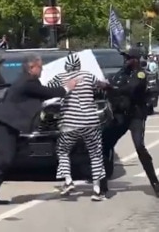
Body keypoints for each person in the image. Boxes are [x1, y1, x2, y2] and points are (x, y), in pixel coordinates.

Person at [0, 54, 79, 205]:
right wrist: (67, 87)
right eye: (40, 67)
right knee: (6, 158)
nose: (42, 70)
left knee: (8, 162)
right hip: (3, 124)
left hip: (12, 126)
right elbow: (49, 92)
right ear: (31, 68)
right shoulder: (27, 82)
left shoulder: (30, 81)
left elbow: (43, 94)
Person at [47, 53, 109, 201]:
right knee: (95, 154)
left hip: (70, 123)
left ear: (66, 66)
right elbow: (102, 85)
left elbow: (48, 86)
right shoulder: (88, 75)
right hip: (91, 122)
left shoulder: (61, 77)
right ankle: (96, 190)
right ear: (79, 65)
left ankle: (68, 181)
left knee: (62, 150)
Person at [101, 47, 159, 197]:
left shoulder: (139, 74)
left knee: (139, 146)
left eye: (128, 58)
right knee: (105, 144)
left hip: (136, 116)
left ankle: (155, 183)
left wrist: (112, 88)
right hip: (121, 116)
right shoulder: (121, 73)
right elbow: (112, 86)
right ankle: (102, 185)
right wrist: (106, 88)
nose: (125, 60)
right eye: (125, 57)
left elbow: (132, 88)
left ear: (135, 59)